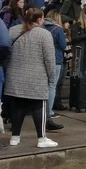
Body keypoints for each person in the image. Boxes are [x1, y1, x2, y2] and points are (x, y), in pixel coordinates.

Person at [5, 8, 58, 148]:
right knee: (38, 106)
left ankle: (14, 137)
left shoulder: (13, 30)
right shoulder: (44, 34)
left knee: (17, 107)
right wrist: (51, 78)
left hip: (14, 76)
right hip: (37, 77)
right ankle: (42, 138)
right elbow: (49, 60)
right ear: (40, 19)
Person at [43, 11, 66, 130]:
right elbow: (63, 45)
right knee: (52, 86)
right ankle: (49, 111)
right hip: (55, 59)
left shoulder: (41, 27)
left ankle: (41, 109)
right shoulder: (58, 29)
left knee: (44, 85)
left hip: (42, 59)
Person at [70, 8, 86, 77]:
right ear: (84, 15)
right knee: (78, 72)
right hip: (79, 51)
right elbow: (74, 38)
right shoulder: (77, 25)